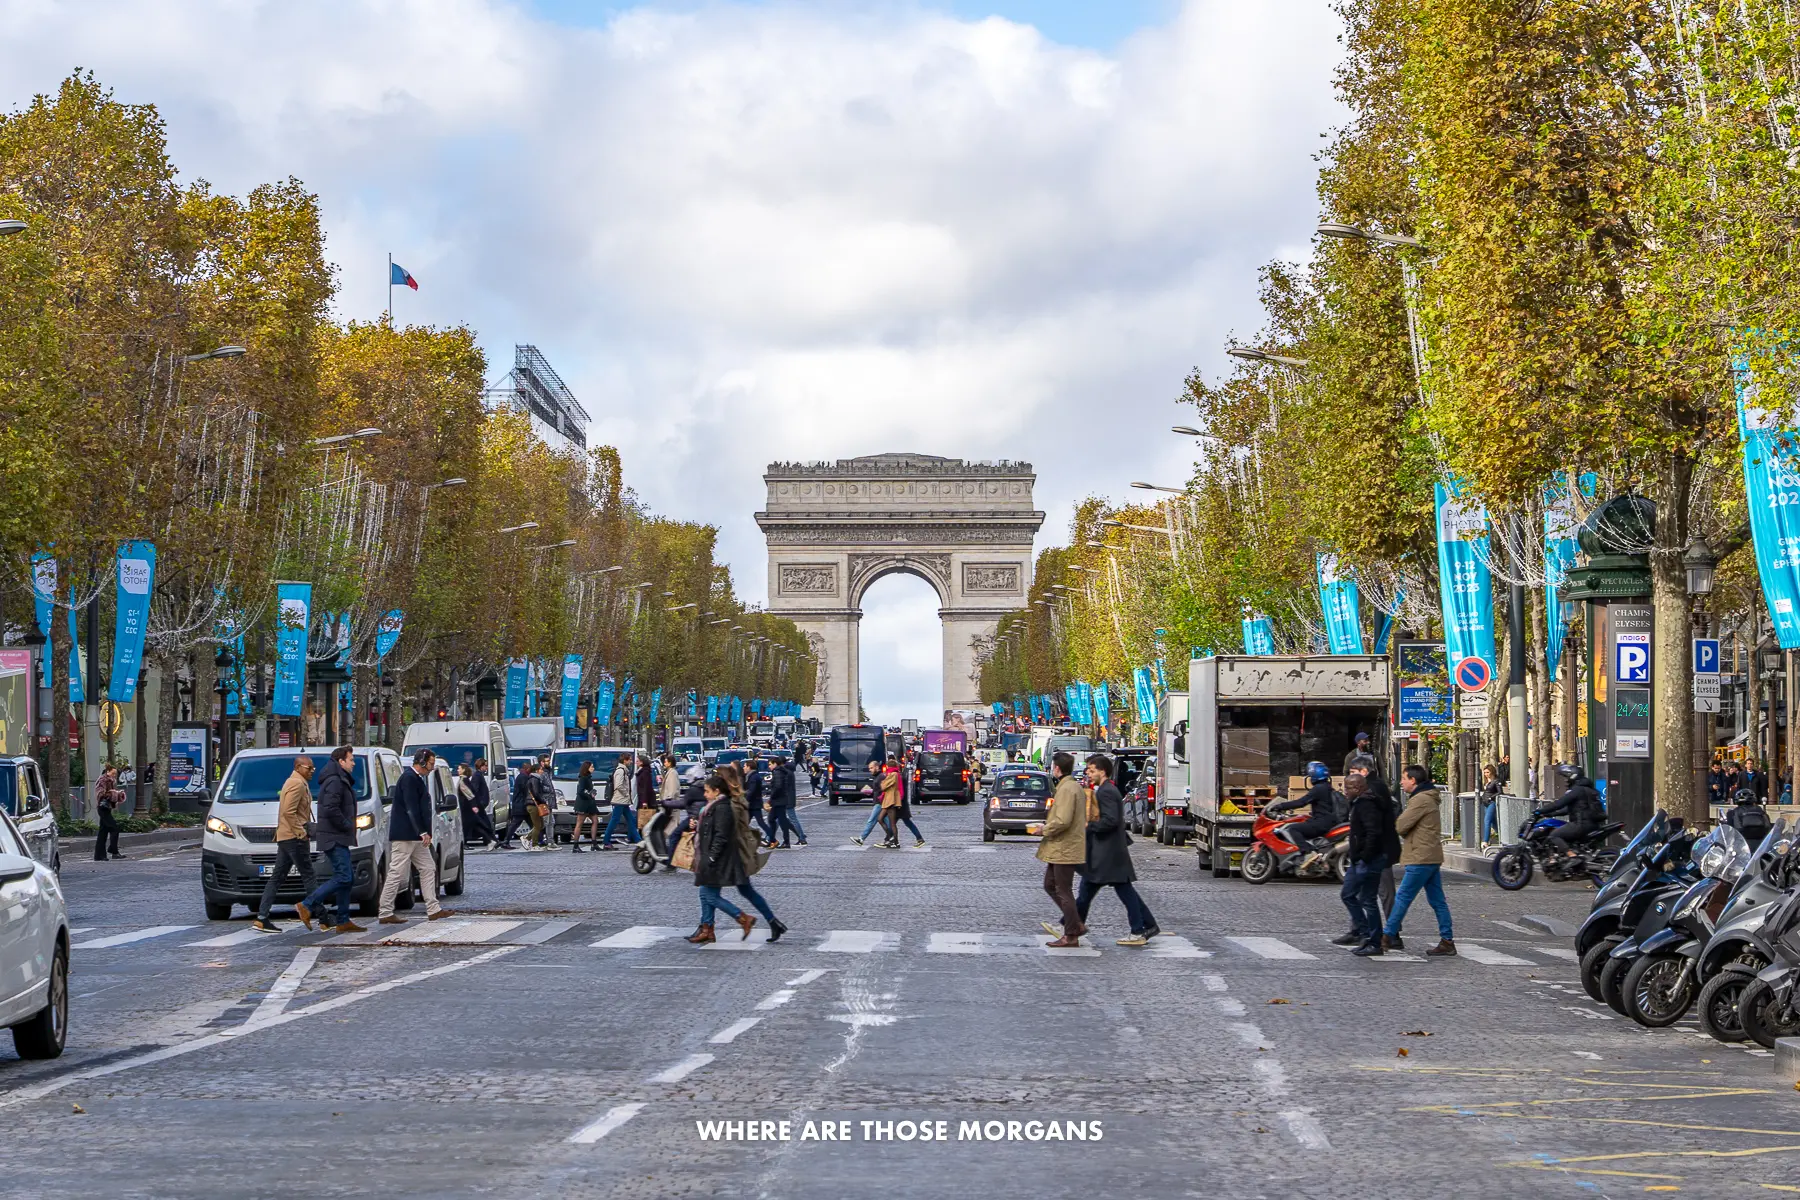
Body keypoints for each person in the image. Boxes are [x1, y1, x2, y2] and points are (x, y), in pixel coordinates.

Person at [1075, 753, 1159, 945]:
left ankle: (1071, 925)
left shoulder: (1106, 792)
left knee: (1092, 888)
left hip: (1107, 852)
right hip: (1110, 851)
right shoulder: (1106, 790)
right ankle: (1147, 925)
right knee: (1123, 890)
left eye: (1092, 770)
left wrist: (1088, 826)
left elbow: (1111, 820)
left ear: (1102, 772)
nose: (1088, 773)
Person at [1379, 765, 1456, 957]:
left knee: (1403, 897)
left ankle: (1387, 936)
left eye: (1404, 778)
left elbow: (1401, 825)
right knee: (1437, 900)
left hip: (1420, 856)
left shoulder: (1420, 799)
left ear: (1413, 780)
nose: (1402, 782)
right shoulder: (1428, 797)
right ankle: (1447, 940)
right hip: (1430, 855)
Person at [377, 749, 454, 924]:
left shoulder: (413, 779)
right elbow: (412, 808)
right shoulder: (410, 779)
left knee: (427, 867)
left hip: (413, 835)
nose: (432, 768)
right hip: (407, 835)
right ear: (421, 762)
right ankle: (385, 911)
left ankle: (433, 909)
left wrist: (422, 833)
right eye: (431, 764)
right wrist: (422, 831)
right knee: (397, 871)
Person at [296, 745, 365, 934]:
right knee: (344, 876)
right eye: (351, 760)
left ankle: (343, 920)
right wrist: (346, 824)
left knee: (347, 878)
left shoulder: (338, 778)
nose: (353, 763)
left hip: (337, 836)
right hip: (334, 836)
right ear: (341, 761)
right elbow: (330, 808)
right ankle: (307, 904)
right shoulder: (335, 780)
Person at [686, 774, 754, 945]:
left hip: (717, 858)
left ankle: (743, 918)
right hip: (710, 855)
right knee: (706, 893)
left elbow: (721, 835)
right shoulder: (713, 806)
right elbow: (709, 829)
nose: (705, 794)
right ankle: (707, 929)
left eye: (707, 791)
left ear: (717, 791)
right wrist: (696, 825)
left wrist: (711, 857)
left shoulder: (722, 808)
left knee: (709, 896)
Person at [252, 756, 317, 933]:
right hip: (294, 838)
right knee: (309, 876)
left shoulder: (294, 781)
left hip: (285, 837)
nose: (312, 771)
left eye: (313, 768)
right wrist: (301, 832)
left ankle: (262, 917)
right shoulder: (297, 783)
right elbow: (289, 812)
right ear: (298, 767)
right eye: (309, 768)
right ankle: (324, 916)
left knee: (277, 877)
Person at [1341, 771, 1400, 956]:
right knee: (1351, 895)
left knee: (1366, 899)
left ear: (1357, 788)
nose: (1344, 791)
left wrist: (1364, 857)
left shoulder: (1366, 804)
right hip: (1363, 859)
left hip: (1370, 859)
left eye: (1347, 788)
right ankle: (1367, 935)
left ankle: (1373, 939)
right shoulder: (1362, 802)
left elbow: (1372, 832)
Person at [725, 768, 787, 941]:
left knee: (710, 894)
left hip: (732, 856)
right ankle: (773, 923)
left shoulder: (732, 803)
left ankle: (742, 919)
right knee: (745, 891)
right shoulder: (735, 801)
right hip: (735, 855)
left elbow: (729, 831)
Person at [1036, 752, 1087, 948]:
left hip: (1064, 846)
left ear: (1057, 768)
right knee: (1051, 885)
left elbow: (1063, 820)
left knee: (1063, 890)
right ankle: (1076, 925)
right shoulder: (1069, 786)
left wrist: (1044, 829)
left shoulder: (1067, 789)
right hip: (1060, 847)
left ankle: (1072, 932)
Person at [1264, 761, 1343, 865]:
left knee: (1293, 829)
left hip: (1321, 823)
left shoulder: (1318, 789)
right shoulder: (1328, 787)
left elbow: (1301, 802)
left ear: (1313, 776)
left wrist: (1280, 806)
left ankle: (1309, 853)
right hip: (1328, 822)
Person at [1538, 763, 1604, 860]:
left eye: (1566, 777)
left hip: (1580, 824)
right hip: (1594, 824)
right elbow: (1569, 809)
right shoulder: (1590, 790)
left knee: (1553, 835)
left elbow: (1559, 804)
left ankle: (1571, 856)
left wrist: (1540, 811)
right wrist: (1551, 814)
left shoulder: (1576, 790)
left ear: (1572, 776)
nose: (1565, 780)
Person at [603, 753, 643, 849]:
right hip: (620, 800)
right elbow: (619, 785)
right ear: (625, 761)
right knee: (615, 820)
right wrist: (626, 794)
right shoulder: (620, 771)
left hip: (623, 800)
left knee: (630, 820)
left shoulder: (623, 770)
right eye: (629, 760)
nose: (631, 761)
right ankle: (606, 841)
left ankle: (638, 840)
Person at [768, 755, 807, 847]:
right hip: (787, 798)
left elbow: (781, 787)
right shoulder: (787, 771)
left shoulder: (783, 772)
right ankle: (770, 838)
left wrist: (772, 797)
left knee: (788, 819)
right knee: (781, 820)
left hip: (786, 799)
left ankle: (801, 837)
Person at [499, 761, 536, 850]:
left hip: (519, 805)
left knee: (529, 824)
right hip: (521, 806)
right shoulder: (523, 777)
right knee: (531, 824)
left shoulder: (521, 776)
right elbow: (526, 790)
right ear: (527, 769)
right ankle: (506, 841)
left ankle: (537, 839)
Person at [92, 764, 125, 861]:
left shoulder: (111, 781)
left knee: (103, 832)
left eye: (116, 773)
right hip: (103, 808)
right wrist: (114, 794)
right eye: (113, 773)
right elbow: (101, 794)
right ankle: (113, 851)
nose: (114, 775)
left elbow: (110, 793)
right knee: (114, 828)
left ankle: (99, 855)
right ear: (107, 771)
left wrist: (117, 794)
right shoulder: (103, 780)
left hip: (107, 807)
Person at [569, 760, 602, 852]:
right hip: (583, 803)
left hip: (589, 803)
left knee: (595, 820)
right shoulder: (583, 778)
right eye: (591, 767)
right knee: (579, 823)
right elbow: (580, 791)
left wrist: (591, 792)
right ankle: (575, 845)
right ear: (587, 768)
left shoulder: (587, 777)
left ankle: (594, 843)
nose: (593, 768)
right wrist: (589, 795)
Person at [465, 760, 496, 848]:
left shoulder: (478, 775)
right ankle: (492, 840)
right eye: (485, 766)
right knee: (481, 823)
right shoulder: (477, 775)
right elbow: (474, 790)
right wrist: (478, 803)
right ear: (480, 766)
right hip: (479, 805)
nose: (486, 767)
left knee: (482, 823)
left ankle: (492, 840)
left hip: (479, 804)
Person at [876, 755, 904, 847]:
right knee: (880, 819)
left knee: (892, 823)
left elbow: (884, 786)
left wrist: (882, 782)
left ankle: (895, 841)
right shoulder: (893, 774)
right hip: (888, 800)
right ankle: (891, 837)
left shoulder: (893, 774)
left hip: (891, 800)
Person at [1479, 765, 1502, 847]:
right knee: (1493, 822)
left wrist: (1490, 797)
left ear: (1492, 772)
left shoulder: (1496, 781)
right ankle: (1502, 836)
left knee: (1487, 820)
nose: (1486, 774)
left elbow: (1500, 792)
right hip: (1485, 803)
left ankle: (1485, 840)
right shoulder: (1486, 781)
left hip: (1491, 803)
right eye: (1485, 772)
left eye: (1487, 772)